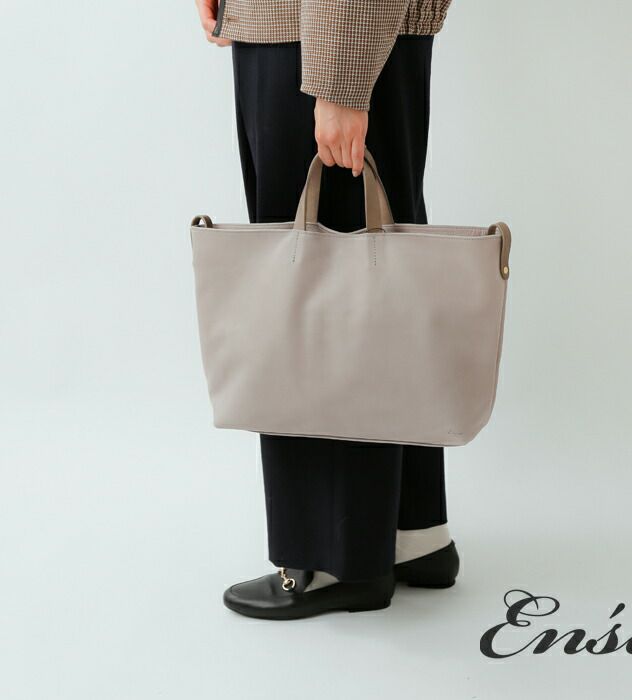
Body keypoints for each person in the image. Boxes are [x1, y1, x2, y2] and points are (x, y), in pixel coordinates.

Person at [194, 0, 459, 620]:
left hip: (323, 36)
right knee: (377, 270)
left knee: (320, 291)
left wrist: (339, 79)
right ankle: (408, 530)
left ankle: (337, 556)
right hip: (317, 32)